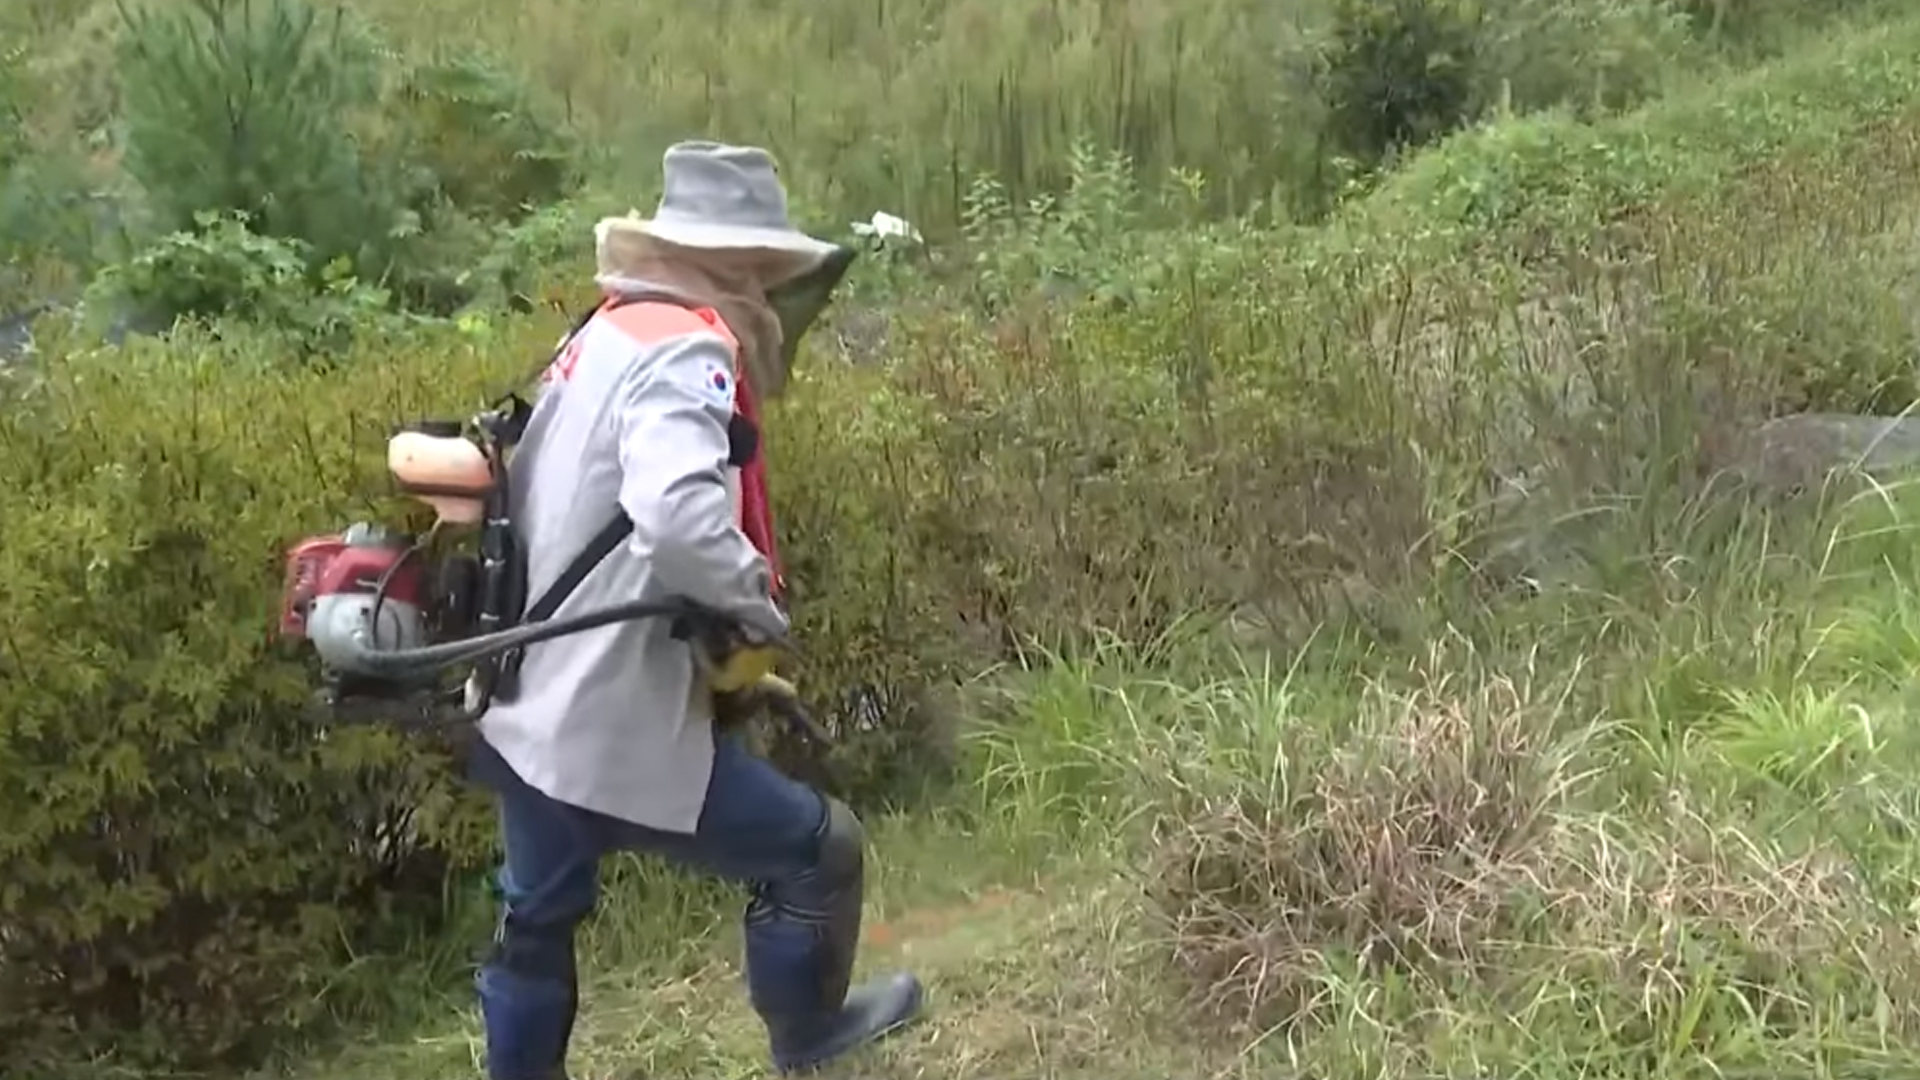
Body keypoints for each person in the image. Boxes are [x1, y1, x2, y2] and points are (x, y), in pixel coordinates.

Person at [466, 141, 924, 1080]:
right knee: (814, 849)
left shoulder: (603, 332)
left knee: (535, 920)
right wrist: (755, 607)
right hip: (605, 714)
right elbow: (676, 521)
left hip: (525, 696)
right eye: (762, 266)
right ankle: (809, 1035)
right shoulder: (686, 347)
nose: (767, 287)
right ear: (737, 260)